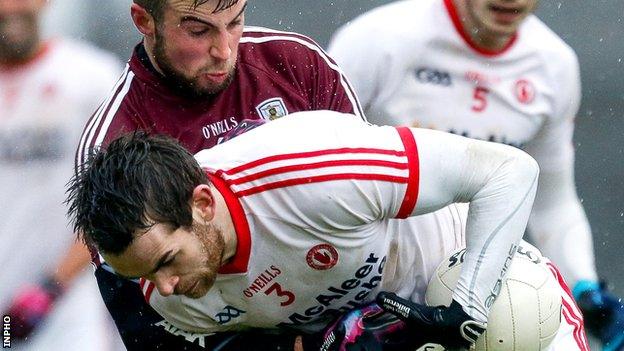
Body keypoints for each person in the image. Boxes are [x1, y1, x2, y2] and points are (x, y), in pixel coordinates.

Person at [67, 110, 586, 350]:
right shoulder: (167, 295)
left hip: (467, 288)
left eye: (165, 262)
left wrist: (465, 309)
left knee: (510, 321)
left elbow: (510, 172)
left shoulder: (313, 172)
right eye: (143, 276)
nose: (165, 290)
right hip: (380, 338)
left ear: (202, 202)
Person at [328, 0, 623, 349]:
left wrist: (584, 287)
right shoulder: (376, 40)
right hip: (377, 280)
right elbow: (318, 173)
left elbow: (552, 204)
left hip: (485, 284)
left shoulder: (554, 65)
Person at [71, 0, 365, 349]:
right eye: (198, 31)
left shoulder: (297, 63)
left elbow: (371, 198)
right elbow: (151, 333)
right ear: (144, 20)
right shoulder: (112, 145)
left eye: (236, 22)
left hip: (362, 299)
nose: (224, 50)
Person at [0, 0, 124, 349]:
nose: (9, 9)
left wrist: (53, 285)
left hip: (65, 313)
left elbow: (115, 198)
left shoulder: (92, 76)